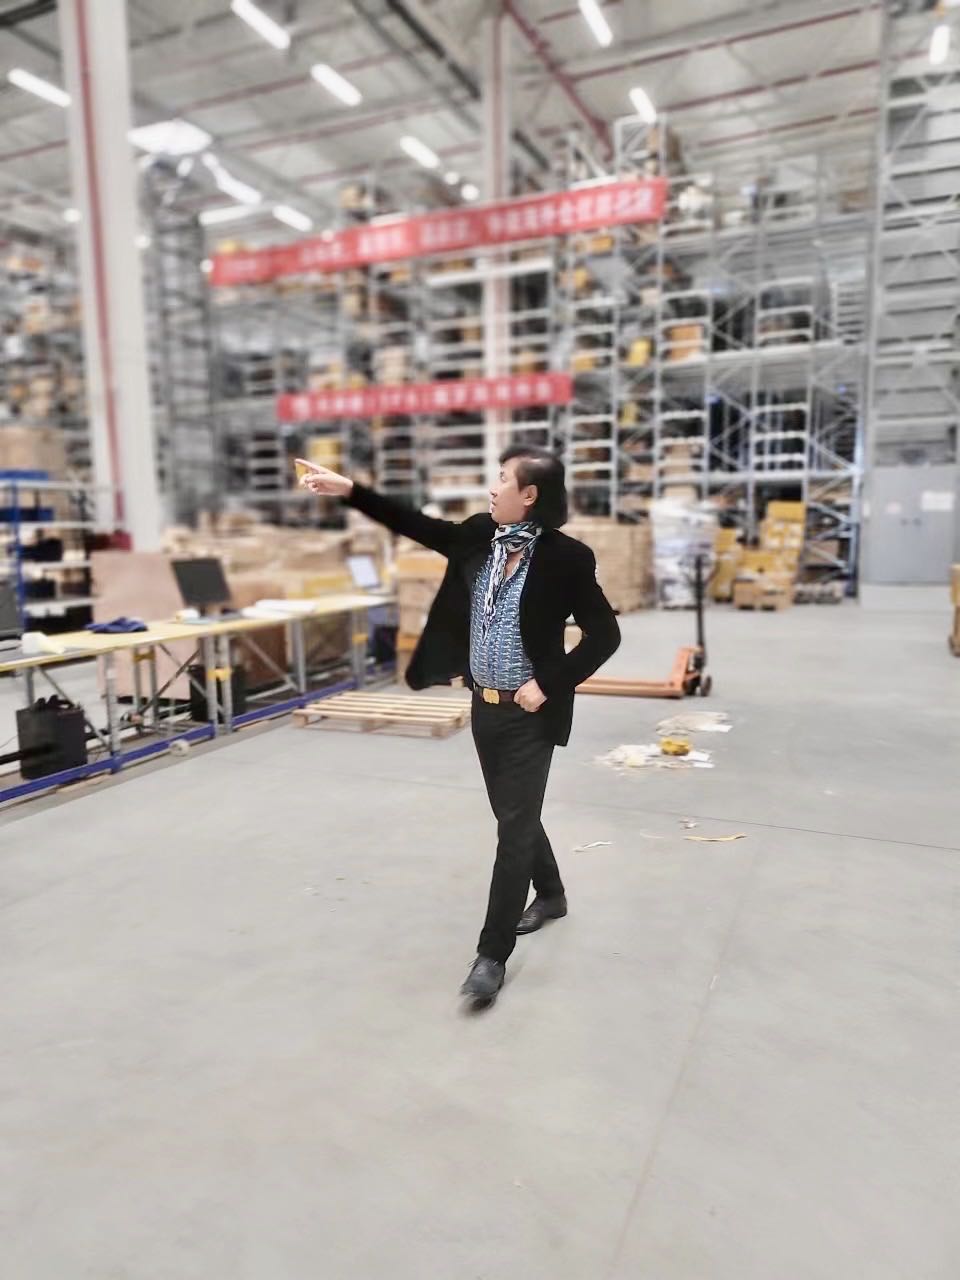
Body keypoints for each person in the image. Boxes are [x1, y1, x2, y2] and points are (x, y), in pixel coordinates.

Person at [300, 447, 620, 1002]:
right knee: (513, 813)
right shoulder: (479, 536)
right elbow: (415, 523)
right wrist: (349, 489)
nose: (493, 489)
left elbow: (605, 634)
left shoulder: (567, 558)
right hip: (484, 708)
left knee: (512, 829)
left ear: (530, 495)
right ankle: (552, 894)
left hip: (531, 714)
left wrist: (549, 683)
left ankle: (491, 954)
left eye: (503, 479)